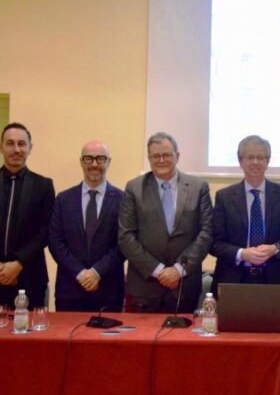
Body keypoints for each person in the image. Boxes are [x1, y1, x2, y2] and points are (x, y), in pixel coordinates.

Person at [118, 132, 213, 313]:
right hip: (145, 287)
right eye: (156, 156)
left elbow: (206, 232)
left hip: (184, 287)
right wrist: (158, 271)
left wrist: (178, 270)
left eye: (167, 155)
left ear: (177, 156)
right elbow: (126, 236)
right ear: (149, 158)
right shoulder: (134, 188)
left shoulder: (198, 187)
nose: (161, 160)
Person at [210, 135, 280, 293]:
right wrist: (242, 254)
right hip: (233, 278)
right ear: (240, 161)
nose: (255, 162)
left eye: (260, 157)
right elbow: (214, 243)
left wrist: (275, 249)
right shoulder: (224, 197)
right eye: (250, 157)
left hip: (275, 279)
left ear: (268, 161)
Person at [49, 141, 125, 312]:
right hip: (70, 290)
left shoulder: (123, 200)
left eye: (100, 159)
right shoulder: (63, 199)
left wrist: (97, 272)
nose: (94, 164)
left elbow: (124, 243)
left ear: (109, 162)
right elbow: (55, 242)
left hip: (109, 291)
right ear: (81, 162)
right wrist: (81, 273)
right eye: (89, 159)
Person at [0, 122, 55, 309]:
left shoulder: (43, 185)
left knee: (30, 327)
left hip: (31, 277)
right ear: (1, 147)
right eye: (10, 143)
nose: (16, 149)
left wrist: (18, 263)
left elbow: (45, 230)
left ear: (30, 148)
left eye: (22, 144)